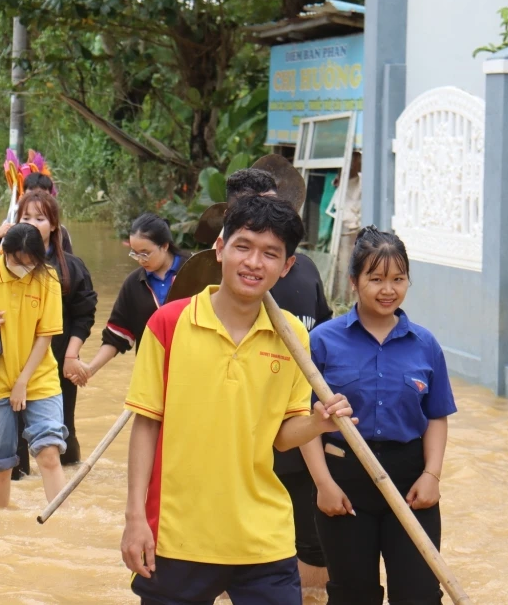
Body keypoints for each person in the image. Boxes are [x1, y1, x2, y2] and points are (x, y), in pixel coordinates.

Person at [121, 195, 356, 604]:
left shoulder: (294, 340)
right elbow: (147, 423)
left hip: (263, 538)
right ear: (220, 248)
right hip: (178, 536)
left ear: (286, 267)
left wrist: (319, 421)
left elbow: (283, 437)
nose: (253, 263)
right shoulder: (168, 325)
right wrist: (134, 517)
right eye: (243, 246)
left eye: (270, 254)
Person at [302, 227, 456, 605]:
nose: (388, 289)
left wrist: (431, 476)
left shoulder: (425, 344)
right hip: (344, 479)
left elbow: (436, 416)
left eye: (398, 279)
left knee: (419, 594)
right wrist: (323, 484)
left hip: (410, 482)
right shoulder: (322, 340)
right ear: (354, 281)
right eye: (376, 279)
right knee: (353, 595)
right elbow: (305, 420)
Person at [224, 165, 333, 587]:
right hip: (236, 451)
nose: (258, 259)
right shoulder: (209, 288)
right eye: (248, 237)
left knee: (311, 546)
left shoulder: (302, 269)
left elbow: (321, 351)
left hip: (299, 434)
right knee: (229, 554)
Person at [0, 223, 68, 507]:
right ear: (3, 252)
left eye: (30, 262)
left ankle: (62, 528)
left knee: (48, 453)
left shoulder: (48, 280)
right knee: (1, 464)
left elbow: (45, 337)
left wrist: (22, 382)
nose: (23, 268)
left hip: (39, 377)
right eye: (16, 261)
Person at [14, 191, 96, 470]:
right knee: (13, 438)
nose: (33, 223)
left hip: (58, 361)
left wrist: (72, 356)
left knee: (63, 431)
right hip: (14, 361)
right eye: (26, 217)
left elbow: (84, 315)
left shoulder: (71, 268)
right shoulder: (5, 267)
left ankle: (67, 487)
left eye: (40, 218)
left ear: (54, 227)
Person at [80, 213, 189, 380]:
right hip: (152, 374)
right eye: (135, 253)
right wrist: (90, 369)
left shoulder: (195, 269)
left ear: (165, 246)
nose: (140, 260)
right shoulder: (133, 284)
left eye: (145, 253)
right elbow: (118, 334)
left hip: (193, 369)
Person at [0, 173, 73, 259]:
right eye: (26, 218)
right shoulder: (10, 225)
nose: (32, 224)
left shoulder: (62, 233)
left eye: (42, 196)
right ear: (23, 196)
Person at [332, 151, 362, 304]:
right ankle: (343, 301)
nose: (354, 163)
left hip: (355, 230)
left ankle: (352, 302)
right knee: (343, 268)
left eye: (356, 159)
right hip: (343, 229)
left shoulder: (361, 183)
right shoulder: (341, 183)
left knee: (355, 268)